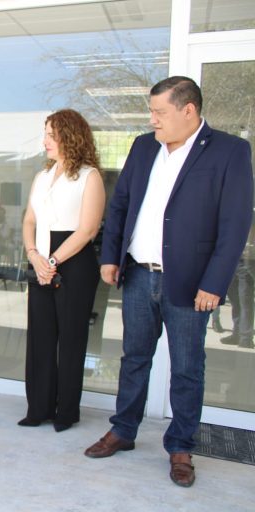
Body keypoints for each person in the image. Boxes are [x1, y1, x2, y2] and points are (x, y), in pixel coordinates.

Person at [84, 77, 253, 487]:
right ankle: (123, 430)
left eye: (159, 112)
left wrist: (214, 283)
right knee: (134, 358)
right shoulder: (144, 146)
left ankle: (181, 446)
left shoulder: (230, 151)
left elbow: (235, 226)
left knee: (187, 369)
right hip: (140, 273)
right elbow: (122, 202)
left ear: (188, 110)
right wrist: (111, 256)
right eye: (151, 112)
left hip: (191, 282)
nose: (152, 119)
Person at [19, 109, 105, 432]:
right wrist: (34, 255)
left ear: (71, 136)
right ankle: (38, 408)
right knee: (40, 337)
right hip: (40, 258)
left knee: (70, 340)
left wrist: (52, 262)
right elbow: (30, 219)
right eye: (45, 134)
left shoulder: (89, 176)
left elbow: (87, 230)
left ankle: (66, 412)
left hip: (73, 264)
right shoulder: (42, 177)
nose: (46, 141)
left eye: (52, 135)